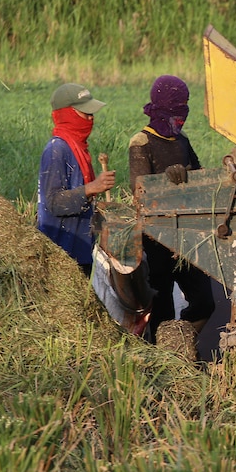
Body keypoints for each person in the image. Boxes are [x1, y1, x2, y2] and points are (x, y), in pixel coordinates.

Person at [128, 75, 215, 343]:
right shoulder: (141, 142)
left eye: (185, 106)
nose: (182, 114)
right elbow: (140, 190)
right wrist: (168, 179)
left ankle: (177, 346)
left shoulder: (182, 140)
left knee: (204, 302)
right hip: (156, 238)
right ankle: (165, 361)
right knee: (162, 308)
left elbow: (197, 175)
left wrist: (191, 176)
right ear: (163, 105)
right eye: (178, 106)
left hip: (186, 237)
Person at [37, 83, 116, 276]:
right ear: (67, 114)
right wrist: (91, 188)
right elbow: (54, 203)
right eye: (85, 113)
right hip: (61, 253)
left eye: (92, 114)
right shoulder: (57, 150)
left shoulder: (79, 148)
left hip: (80, 249)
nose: (91, 118)